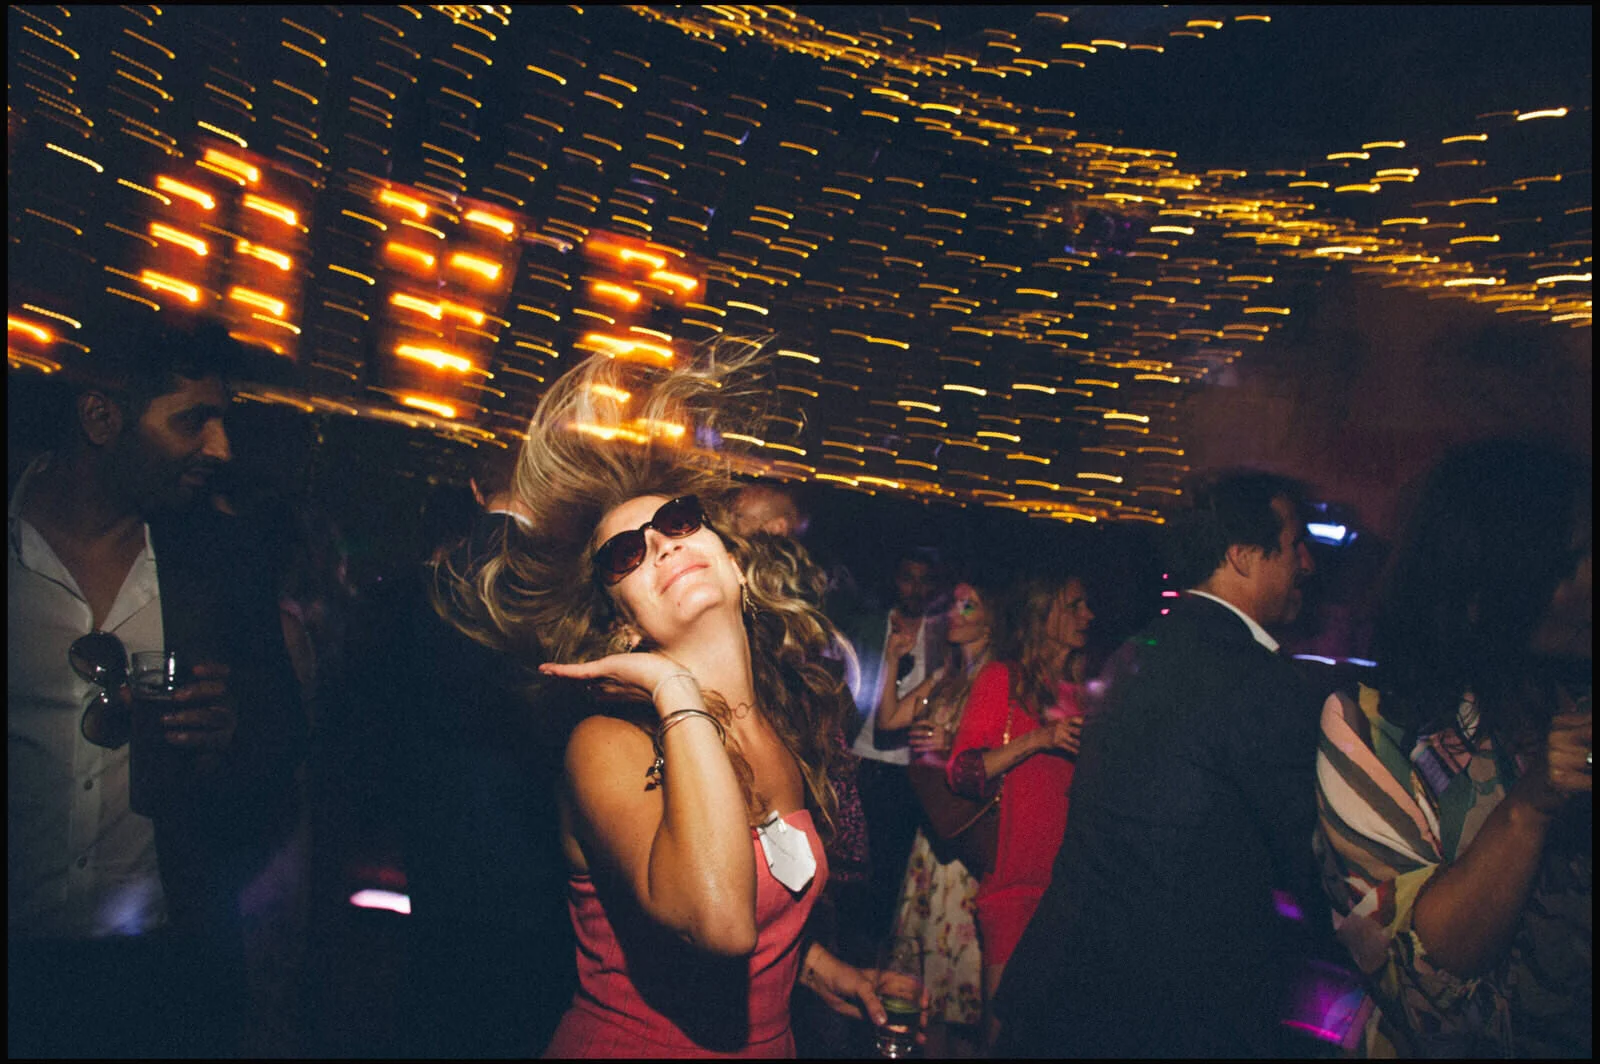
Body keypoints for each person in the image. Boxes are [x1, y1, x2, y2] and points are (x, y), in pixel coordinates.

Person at [441, 337, 921, 1057]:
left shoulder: (779, 718)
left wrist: (813, 965)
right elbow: (722, 923)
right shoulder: (607, 744)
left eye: (677, 522)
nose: (662, 545)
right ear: (623, 622)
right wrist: (674, 688)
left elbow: (764, 887)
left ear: (733, 562)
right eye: (624, 554)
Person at [8, 312, 306, 1057]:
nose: (220, 447)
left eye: (223, 421)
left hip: (162, 972)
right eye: (193, 422)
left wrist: (233, 734)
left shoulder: (225, 559)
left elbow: (286, 743)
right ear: (101, 418)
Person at [996, 469, 1326, 1057]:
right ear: (1245, 556)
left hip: (1064, 989)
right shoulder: (1258, 680)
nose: (1307, 563)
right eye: (1294, 543)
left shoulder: (1136, 651)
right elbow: (1309, 857)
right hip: (1159, 1016)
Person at [1315, 439, 1591, 1057]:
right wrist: (1532, 805)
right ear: (1496, 579)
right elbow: (1420, 979)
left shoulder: (1572, 695)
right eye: (1572, 561)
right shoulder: (1375, 726)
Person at [397, 441, 574, 1057]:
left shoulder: (428, 576)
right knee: (518, 1016)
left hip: (436, 823)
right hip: (531, 832)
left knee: (439, 1002)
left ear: (476, 488)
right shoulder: (559, 580)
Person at [946, 565, 1094, 1047]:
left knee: (1049, 1038)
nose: (1086, 615)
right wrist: (1041, 738)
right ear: (1044, 612)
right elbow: (963, 772)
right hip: (1014, 887)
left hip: (1071, 891)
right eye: (1074, 605)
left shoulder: (1085, 694)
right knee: (1002, 1037)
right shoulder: (1001, 679)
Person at [883, 571, 1004, 1056]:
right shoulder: (948, 676)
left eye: (968, 605)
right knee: (927, 977)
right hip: (932, 833)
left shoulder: (1002, 677)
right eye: (952, 604)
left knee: (962, 986)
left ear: (993, 617)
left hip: (967, 837)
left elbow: (1004, 754)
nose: (954, 614)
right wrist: (894, 660)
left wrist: (951, 744)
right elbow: (889, 720)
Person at [836, 547, 948, 966]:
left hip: (912, 771)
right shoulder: (867, 627)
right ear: (894, 580)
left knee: (894, 874)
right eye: (907, 577)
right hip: (862, 760)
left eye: (924, 579)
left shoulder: (941, 635)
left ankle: (879, 961)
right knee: (853, 868)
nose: (915, 588)